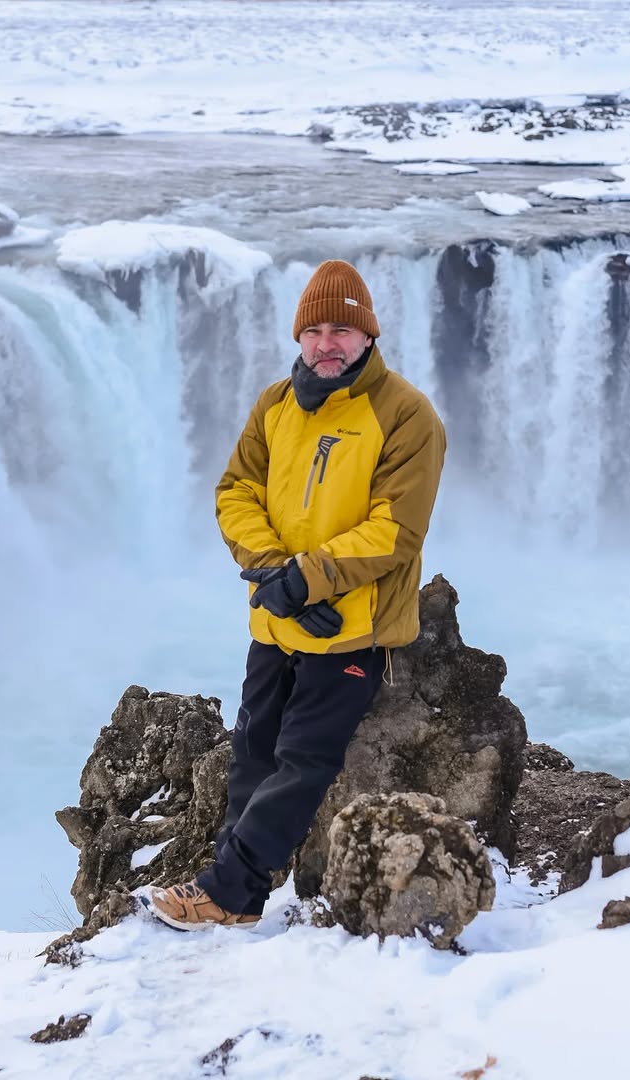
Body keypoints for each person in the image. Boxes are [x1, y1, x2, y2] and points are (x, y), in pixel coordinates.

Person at [148, 260, 447, 930]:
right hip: (277, 621)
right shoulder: (276, 404)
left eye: (343, 328)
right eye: (315, 330)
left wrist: (307, 579)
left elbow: (394, 530)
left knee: (301, 764)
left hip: (352, 630)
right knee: (251, 758)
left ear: (368, 335)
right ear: (300, 336)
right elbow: (236, 491)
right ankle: (240, 895)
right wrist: (273, 571)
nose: (327, 343)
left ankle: (225, 891)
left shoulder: (406, 415)